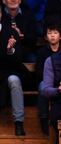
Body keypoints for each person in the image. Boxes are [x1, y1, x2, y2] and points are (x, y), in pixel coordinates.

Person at [0, 6, 28, 136]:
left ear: (0, 14)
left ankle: (19, 123)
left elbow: (17, 60)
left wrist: (9, 50)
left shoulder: (11, 32)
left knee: (15, 81)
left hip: (8, 71)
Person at [35, 24, 61, 135]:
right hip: (47, 81)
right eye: (50, 33)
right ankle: (44, 117)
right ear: (46, 37)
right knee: (43, 86)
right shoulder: (42, 52)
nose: (52, 36)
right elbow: (38, 71)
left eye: (55, 33)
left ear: (60, 36)